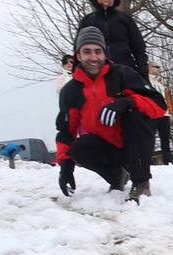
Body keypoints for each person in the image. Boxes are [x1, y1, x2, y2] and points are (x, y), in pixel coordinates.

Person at [55, 27, 166, 202]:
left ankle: (141, 182)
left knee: (135, 115)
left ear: (105, 53)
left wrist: (127, 102)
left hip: (134, 143)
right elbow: (65, 131)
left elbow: (159, 105)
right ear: (78, 55)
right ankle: (117, 177)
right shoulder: (71, 90)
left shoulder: (122, 74)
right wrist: (66, 167)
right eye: (87, 52)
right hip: (106, 146)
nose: (93, 57)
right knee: (78, 148)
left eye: (98, 51)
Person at [77, 0, 149, 77]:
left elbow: (138, 47)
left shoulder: (125, 19)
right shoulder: (87, 21)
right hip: (97, 72)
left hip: (125, 70)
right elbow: (78, 49)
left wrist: (143, 72)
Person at [147, 60, 173, 164]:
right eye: (156, 67)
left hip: (164, 114)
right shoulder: (145, 80)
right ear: (149, 67)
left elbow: (167, 99)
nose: (159, 69)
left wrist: (170, 113)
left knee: (166, 139)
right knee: (150, 138)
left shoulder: (161, 82)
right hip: (152, 113)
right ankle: (148, 161)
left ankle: (168, 161)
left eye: (159, 67)